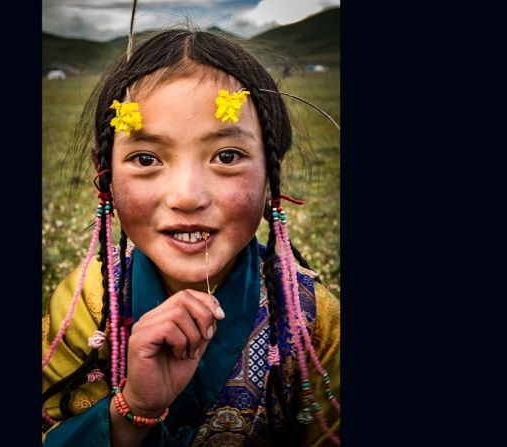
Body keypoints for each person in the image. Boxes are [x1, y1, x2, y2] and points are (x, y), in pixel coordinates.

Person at [41, 29, 341, 446]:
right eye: (146, 159)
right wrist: (134, 409)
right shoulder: (85, 306)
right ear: (104, 175)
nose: (187, 197)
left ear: (272, 174)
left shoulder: (314, 320)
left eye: (228, 156)